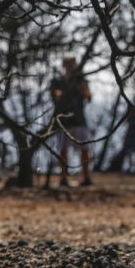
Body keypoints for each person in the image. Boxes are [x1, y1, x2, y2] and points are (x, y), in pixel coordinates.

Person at [51, 56, 93, 187]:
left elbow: (88, 96)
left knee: (84, 150)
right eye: (68, 64)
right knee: (63, 151)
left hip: (79, 120)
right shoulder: (57, 81)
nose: (70, 66)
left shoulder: (81, 80)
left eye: (72, 64)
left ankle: (86, 178)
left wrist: (82, 87)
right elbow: (56, 96)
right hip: (63, 121)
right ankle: (63, 178)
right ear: (64, 65)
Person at [121, 104, 135, 174]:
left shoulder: (134, 119)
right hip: (131, 137)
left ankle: (134, 168)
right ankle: (132, 168)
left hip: (133, 138)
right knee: (131, 153)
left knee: (133, 153)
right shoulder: (132, 119)